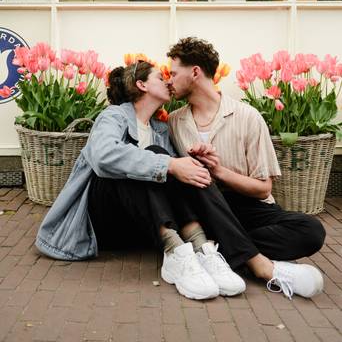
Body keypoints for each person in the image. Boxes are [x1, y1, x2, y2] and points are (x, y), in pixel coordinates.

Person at [36, 60, 246, 300]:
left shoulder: (161, 129)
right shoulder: (113, 116)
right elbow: (104, 157)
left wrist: (191, 160)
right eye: (160, 77)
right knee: (154, 157)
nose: (168, 81)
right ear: (141, 84)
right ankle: (176, 251)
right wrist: (169, 164)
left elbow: (173, 185)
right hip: (98, 225)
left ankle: (200, 249)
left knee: (170, 162)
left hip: (138, 226)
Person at [166, 36, 326, 300]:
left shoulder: (247, 116)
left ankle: (216, 251)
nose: (169, 80)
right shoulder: (174, 122)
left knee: (311, 230)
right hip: (205, 206)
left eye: (173, 73)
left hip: (248, 208)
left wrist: (220, 172)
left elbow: (264, 190)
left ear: (195, 72)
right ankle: (259, 265)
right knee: (198, 183)